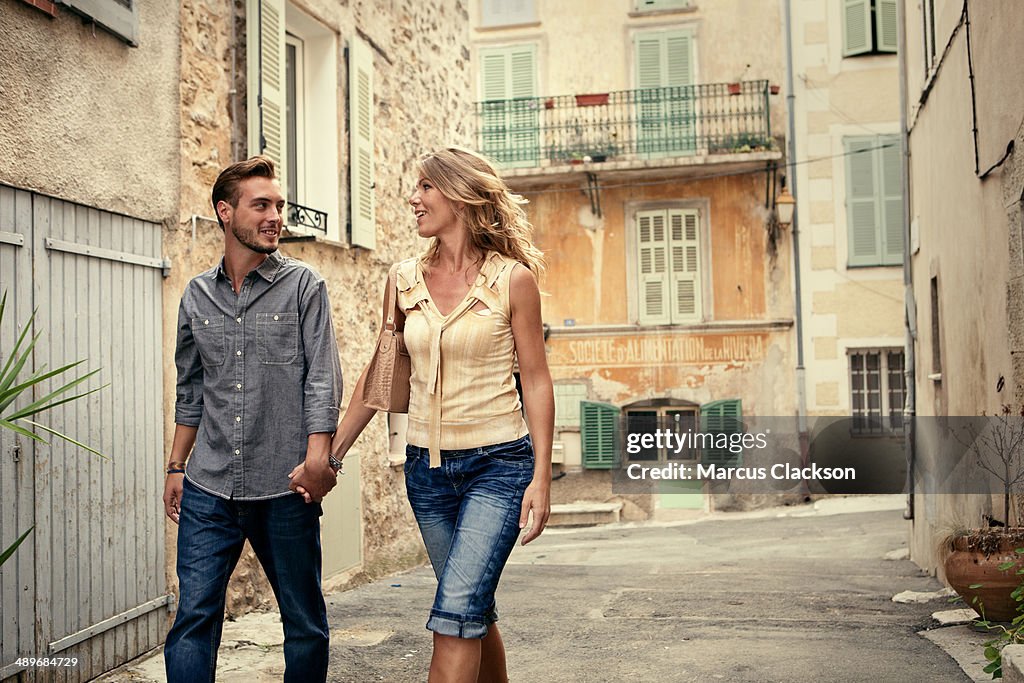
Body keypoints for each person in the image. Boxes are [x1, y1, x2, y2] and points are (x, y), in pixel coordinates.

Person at [307, 146, 554, 682]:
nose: (412, 198)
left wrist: (541, 476)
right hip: (428, 471)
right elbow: (380, 380)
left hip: (500, 467)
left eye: (425, 187)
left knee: (455, 615)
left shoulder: (513, 280)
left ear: (461, 196)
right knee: (470, 610)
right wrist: (330, 455)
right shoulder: (402, 280)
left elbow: (535, 378)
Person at [162, 155, 343, 683]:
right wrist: (177, 465)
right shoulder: (196, 295)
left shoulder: (304, 287)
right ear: (225, 212)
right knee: (193, 619)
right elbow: (191, 387)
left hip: (286, 488)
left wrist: (317, 461)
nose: (275, 216)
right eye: (261, 204)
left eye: (279, 206)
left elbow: (322, 381)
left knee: (304, 623)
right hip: (209, 487)